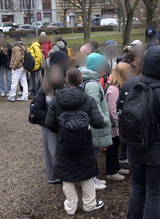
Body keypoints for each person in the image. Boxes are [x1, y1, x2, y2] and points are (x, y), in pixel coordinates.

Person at [117, 46, 160, 219]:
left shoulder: (130, 84)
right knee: (154, 195)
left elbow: (120, 113)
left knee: (138, 189)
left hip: (134, 147)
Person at [45, 68, 106, 215]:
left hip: (64, 143)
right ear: (81, 81)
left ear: (66, 80)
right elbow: (99, 122)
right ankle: (89, 204)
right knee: (86, 172)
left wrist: (62, 128)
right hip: (84, 143)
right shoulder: (88, 99)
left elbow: (50, 124)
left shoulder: (56, 100)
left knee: (66, 174)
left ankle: (71, 206)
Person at [80, 53, 112, 189]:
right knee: (91, 154)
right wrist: (104, 120)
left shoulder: (91, 80)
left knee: (93, 153)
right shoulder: (92, 85)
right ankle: (90, 180)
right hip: (94, 125)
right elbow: (94, 106)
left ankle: (92, 178)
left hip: (92, 124)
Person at [33, 65, 65, 184]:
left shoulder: (63, 87)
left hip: (62, 124)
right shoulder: (43, 90)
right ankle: (53, 176)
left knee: (62, 150)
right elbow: (38, 109)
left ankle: (63, 173)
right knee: (51, 151)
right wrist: (49, 121)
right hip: (48, 126)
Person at [105, 62, 133, 181]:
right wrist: (119, 124)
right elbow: (112, 110)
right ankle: (111, 171)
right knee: (111, 149)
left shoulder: (118, 88)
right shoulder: (114, 90)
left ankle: (116, 167)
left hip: (116, 126)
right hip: (114, 127)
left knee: (116, 147)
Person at [8, 34, 29, 102]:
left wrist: (14, 66)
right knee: (24, 81)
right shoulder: (25, 46)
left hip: (18, 66)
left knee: (14, 81)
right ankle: (25, 95)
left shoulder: (17, 48)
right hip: (24, 66)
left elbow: (18, 58)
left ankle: (12, 95)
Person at [27, 35, 44, 99]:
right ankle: (38, 92)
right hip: (34, 66)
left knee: (35, 80)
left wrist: (33, 64)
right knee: (36, 79)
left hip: (35, 66)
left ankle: (35, 93)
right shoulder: (31, 47)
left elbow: (39, 57)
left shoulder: (35, 47)